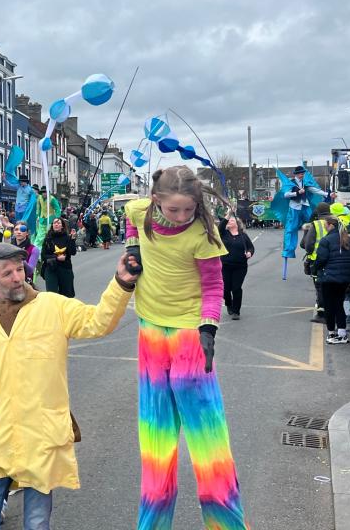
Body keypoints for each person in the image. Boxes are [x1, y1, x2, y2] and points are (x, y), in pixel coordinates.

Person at [0, 242, 139, 529]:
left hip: (41, 438)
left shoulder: (53, 306)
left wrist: (121, 284)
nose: (17, 277)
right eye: (7, 273)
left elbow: (98, 322)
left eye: (19, 269)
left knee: (37, 523)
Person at [124, 166, 248, 529]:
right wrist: (133, 246)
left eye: (188, 210)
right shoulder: (140, 211)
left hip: (189, 334)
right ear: (156, 200)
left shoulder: (203, 236)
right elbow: (131, 221)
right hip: (150, 332)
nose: (180, 217)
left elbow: (213, 287)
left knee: (209, 442)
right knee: (156, 442)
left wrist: (209, 327)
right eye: (173, 209)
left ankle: (227, 525)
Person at [314, 215, 350, 344]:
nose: (325, 226)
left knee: (329, 306)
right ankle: (342, 334)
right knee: (339, 304)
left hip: (329, 278)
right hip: (346, 278)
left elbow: (321, 260)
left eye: (326, 224)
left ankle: (331, 333)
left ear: (331, 225)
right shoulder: (348, 239)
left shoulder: (326, 240)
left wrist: (315, 270)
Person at [219, 211, 255, 320]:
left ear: (237, 224)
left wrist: (249, 253)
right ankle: (229, 304)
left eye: (232, 220)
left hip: (240, 266)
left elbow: (251, 248)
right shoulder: (223, 233)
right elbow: (220, 226)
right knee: (226, 289)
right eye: (228, 220)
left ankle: (236, 311)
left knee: (236, 288)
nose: (229, 221)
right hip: (225, 265)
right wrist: (229, 214)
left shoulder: (243, 236)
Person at [301, 202, 332, 322]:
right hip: (333, 260)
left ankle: (321, 313)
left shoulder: (316, 224)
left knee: (320, 286)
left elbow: (307, 245)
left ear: (318, 212)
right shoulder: (337, 222)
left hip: (317, 260)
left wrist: (309, 253)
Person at [40, 217, 77, 297]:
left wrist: (72, 239)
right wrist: (56, 258)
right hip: (51, 268)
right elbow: (43, 256)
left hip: (65, 268)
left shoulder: (67, 238)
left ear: (62, 226)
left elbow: (73, 252)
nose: (56, 224)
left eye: (58, 223)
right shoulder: (47, 239)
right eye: (54, 223)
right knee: (52, 295)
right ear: (52, 225)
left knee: (66, 296)